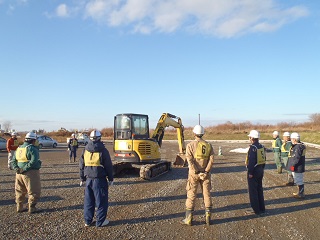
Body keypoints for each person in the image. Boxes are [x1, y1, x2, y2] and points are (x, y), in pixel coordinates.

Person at [181, 125, 214, 226]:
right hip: (206, 175)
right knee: (207, 194)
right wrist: (206, 172)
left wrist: (196, 171)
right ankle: (208, 217)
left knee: (191, 195)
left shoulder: (190, 145)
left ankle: (188, 219)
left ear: (194, 133)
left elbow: (190, 161)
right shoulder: (209, 145)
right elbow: (211, 160)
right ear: (203, 133)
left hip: (193, 175)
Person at [79, 130, 114, 227]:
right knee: (101, 201)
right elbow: (108, 166)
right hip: (99, 180)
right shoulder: (103, 150)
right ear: (99, 138)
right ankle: (100, 221)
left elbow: (81, 165)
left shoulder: (85, 150)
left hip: (88, 180)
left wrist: (82, 178)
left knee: (88, 201)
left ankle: (87, 221)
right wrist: (110, 178)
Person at [11, 132, 42, 213]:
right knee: (34, 190)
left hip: (18, 174)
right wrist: (25, 168)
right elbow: (34, 161)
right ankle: (32, 207)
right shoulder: (33, 149)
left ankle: (19, 206)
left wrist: (16, 168)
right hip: (30, 173)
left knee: (19, 190)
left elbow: (13, 160)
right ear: (33, 140)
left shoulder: (19, 148)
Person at [245, 130, 266, 216]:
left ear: (252, 138)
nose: (249, 138)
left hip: (254, 171)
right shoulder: (261, 146)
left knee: (253, 191)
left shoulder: (253, 147)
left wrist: (250, 172)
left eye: (250, 137)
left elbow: (252, 161)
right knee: (259, 189)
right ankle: (262, 207)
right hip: (260, 169)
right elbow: (264, 159)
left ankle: (255, 209)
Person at [286, 132, 306, 199]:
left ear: (294, 139)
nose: (291, 140)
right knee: (297, 179)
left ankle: (301, 193)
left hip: (297, 167)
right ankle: (300, 192)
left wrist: (292, 165)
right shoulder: (301, 146)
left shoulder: (297, 147)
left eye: (291, 139)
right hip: (299, 166)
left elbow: (296, 158)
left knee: (298, 180)